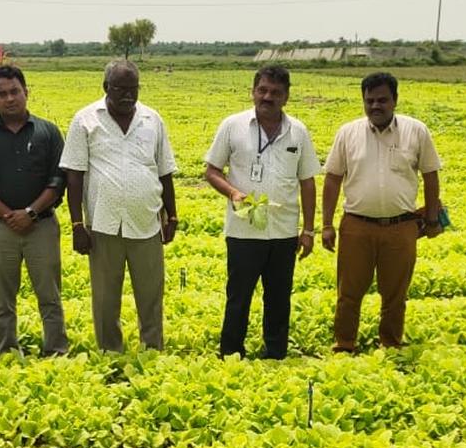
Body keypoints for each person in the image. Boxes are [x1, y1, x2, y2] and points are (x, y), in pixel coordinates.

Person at [60, 59, 178, 352]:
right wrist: (77, 225)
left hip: (146, 222)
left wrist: (172, 215)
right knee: (105, 298)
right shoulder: (85, 119)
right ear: (106, 87)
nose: (127, 95)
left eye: (132, 89)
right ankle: (110, 353)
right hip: (103, 224)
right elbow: (74, 176)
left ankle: (152, 351)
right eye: (120, 89)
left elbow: (164, 171)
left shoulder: (153, 119)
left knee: (151, 296)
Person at [320, 72, 443, 352]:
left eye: (383, 100)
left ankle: (390, 343)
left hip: (402, 227)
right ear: (363, 101)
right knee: (349, 293)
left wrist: (433, 218)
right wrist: (326, 224)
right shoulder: (348, 132)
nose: (376, 106)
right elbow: (332, 179)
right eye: (370, 100)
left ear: (395, 100)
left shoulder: (417, 131)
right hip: (356, 225)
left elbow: (431, 175)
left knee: (395, 293)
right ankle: (345, 344)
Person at [205, 66, 321, 359]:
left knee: (279, 297)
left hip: (283, 231)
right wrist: (232, 192)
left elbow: (307, 182)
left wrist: (308, 230)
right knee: (239, 297)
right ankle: (231, 352)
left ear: (286, 97)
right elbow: (212, 171)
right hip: (243, 231)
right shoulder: (233, 125)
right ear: (253, 91)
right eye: (262, 90)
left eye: (275, 92)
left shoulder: (298, 131)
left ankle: (276, 351)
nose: (267, 97)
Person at [0, 66, 69, 356]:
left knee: (50, 295)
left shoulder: (47, 132)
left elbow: (57, 180)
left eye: (15, 91)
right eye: (2, 94)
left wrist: (31, 213)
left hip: (42, 226)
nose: (10, 98)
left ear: (26, 92)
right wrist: (10, 216)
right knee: (3, 298)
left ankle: (56, 350)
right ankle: (7, 350)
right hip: (0, 228)